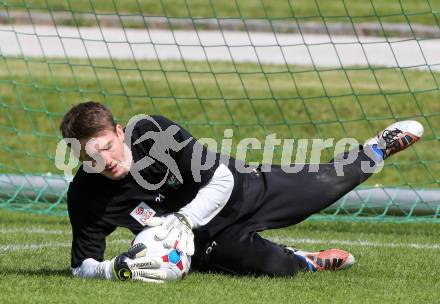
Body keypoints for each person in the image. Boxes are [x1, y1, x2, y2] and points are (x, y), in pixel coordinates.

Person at [60, 101, 423, 282]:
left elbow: (220, 178)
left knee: (329, 183)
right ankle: (305, 258)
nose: (104, 160)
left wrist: (184, 219)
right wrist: (112, 269)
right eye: (91, 156)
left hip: (242, 189)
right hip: (203, 241)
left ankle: (376, 148)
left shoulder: (154, 133)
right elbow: (81, 267)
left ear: (120, 132)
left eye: (107, 146)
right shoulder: (84, 196)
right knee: (277, 268)